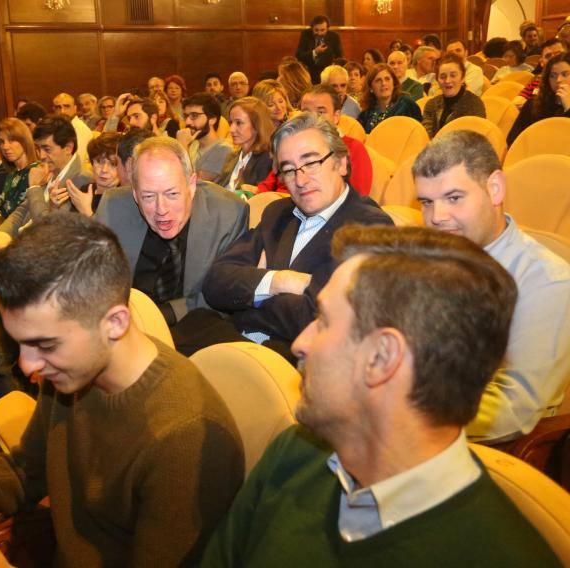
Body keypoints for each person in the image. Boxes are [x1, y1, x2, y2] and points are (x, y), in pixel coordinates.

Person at [0, 212, 245, 567]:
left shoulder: (185, 438)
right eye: (20, 343)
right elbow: (25, 472)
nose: (27, 366)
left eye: (44, 344)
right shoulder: (73, 372)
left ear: (115, 323)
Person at [200, 224, 560, 567]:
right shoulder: (294, 452)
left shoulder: (503, 557)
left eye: (323, 321)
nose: (300, 343)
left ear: (382, 357)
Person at [414, 130, 570, 442]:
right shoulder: (425, 258)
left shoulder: (546, 281)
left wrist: (404, 416)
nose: (436, 217)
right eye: (427, 202)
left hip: (475, 452)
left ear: (495, 188)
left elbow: (513, 410)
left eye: (454, 198)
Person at [199, 113, 392, 357]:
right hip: (240, 345)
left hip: (296, 361)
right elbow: (216, 282)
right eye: (288, 169)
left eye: (311, 163)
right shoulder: (278, 213)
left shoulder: (369, 227)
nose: (300, 180)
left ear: (342, 163)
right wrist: (280, 281)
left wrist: (252, 293)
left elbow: (317, 318)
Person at [95, 137, 247, 328]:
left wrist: (155, 317)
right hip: (122, 324)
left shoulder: (228, 214)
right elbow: (92, 280)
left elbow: (223, 295)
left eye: (172, 194)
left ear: (192, 185)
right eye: (148, 196)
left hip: (193, 326)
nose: (161, 209)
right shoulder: (113, 207)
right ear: (135, 193)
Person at [0, 115, 92, 236]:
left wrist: (34, 188)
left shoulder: (81, 180)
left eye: (47, 149)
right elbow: (21, 212)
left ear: (68, 148)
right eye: (38, 148)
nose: (41, 156)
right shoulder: (48, 170)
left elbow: (46, 230)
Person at [301, 85, 373, 196]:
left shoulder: (354, 149)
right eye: (306, 112)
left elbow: (358, 197)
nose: (312, 118)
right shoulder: (295, 147)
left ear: (336, 116)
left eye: (321, 112)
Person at [507, 52, 570, 145]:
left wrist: (568, 109)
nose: (558, 80)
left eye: (565, 74)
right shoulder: (533, 105)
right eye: (553, 75)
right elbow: (513, 140)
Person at [217, 97, 274, 192]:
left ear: (257, 125)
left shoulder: (268, 159)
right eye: (231, 122)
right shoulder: (232, 156)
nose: (231, 129)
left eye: (239, 123)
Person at [422, 53, 486, 138]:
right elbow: (426, 136)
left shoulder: (474, 104)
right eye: (443, 76)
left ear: (462, 77)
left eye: (453, 75)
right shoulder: (432, 104)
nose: (447, 81)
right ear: (437, 80)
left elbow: (473, 139)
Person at [176, 93, 233, 181]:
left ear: (212, 120)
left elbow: (197, 185)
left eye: (194, 116)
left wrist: (183, 147)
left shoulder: (223, 149)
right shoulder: (193, 145)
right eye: (186, 116)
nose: (187, 122)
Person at [63, 131, 121, 217]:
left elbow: (109, 230)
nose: (104, 170)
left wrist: (87, 212)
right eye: (99, 161)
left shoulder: (125, 198)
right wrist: (54, 206)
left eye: (113, 164)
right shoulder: (84, 190)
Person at [358, 64, 422, 133]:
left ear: (394, 83)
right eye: (378, 80)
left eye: (387, 79)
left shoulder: (407, 105)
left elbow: (419, 132)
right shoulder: (366, 113)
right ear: (371, 87)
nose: (383, 83)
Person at [513, 38, 566, 108]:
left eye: (558, 54)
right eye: (548, 56)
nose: (553, 59)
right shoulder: (537, 81)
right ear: (541, 62)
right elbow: (516, 103)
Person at [295, 15, 343, 85]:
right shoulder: (305, 34)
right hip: (309, 75)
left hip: (328, 75)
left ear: (327, 28)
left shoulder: (334, 37)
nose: (319, 33)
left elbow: (339, 57)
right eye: (316, 30)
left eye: (322, 30)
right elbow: (299, 56)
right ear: (312, 28)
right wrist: (315, 52)